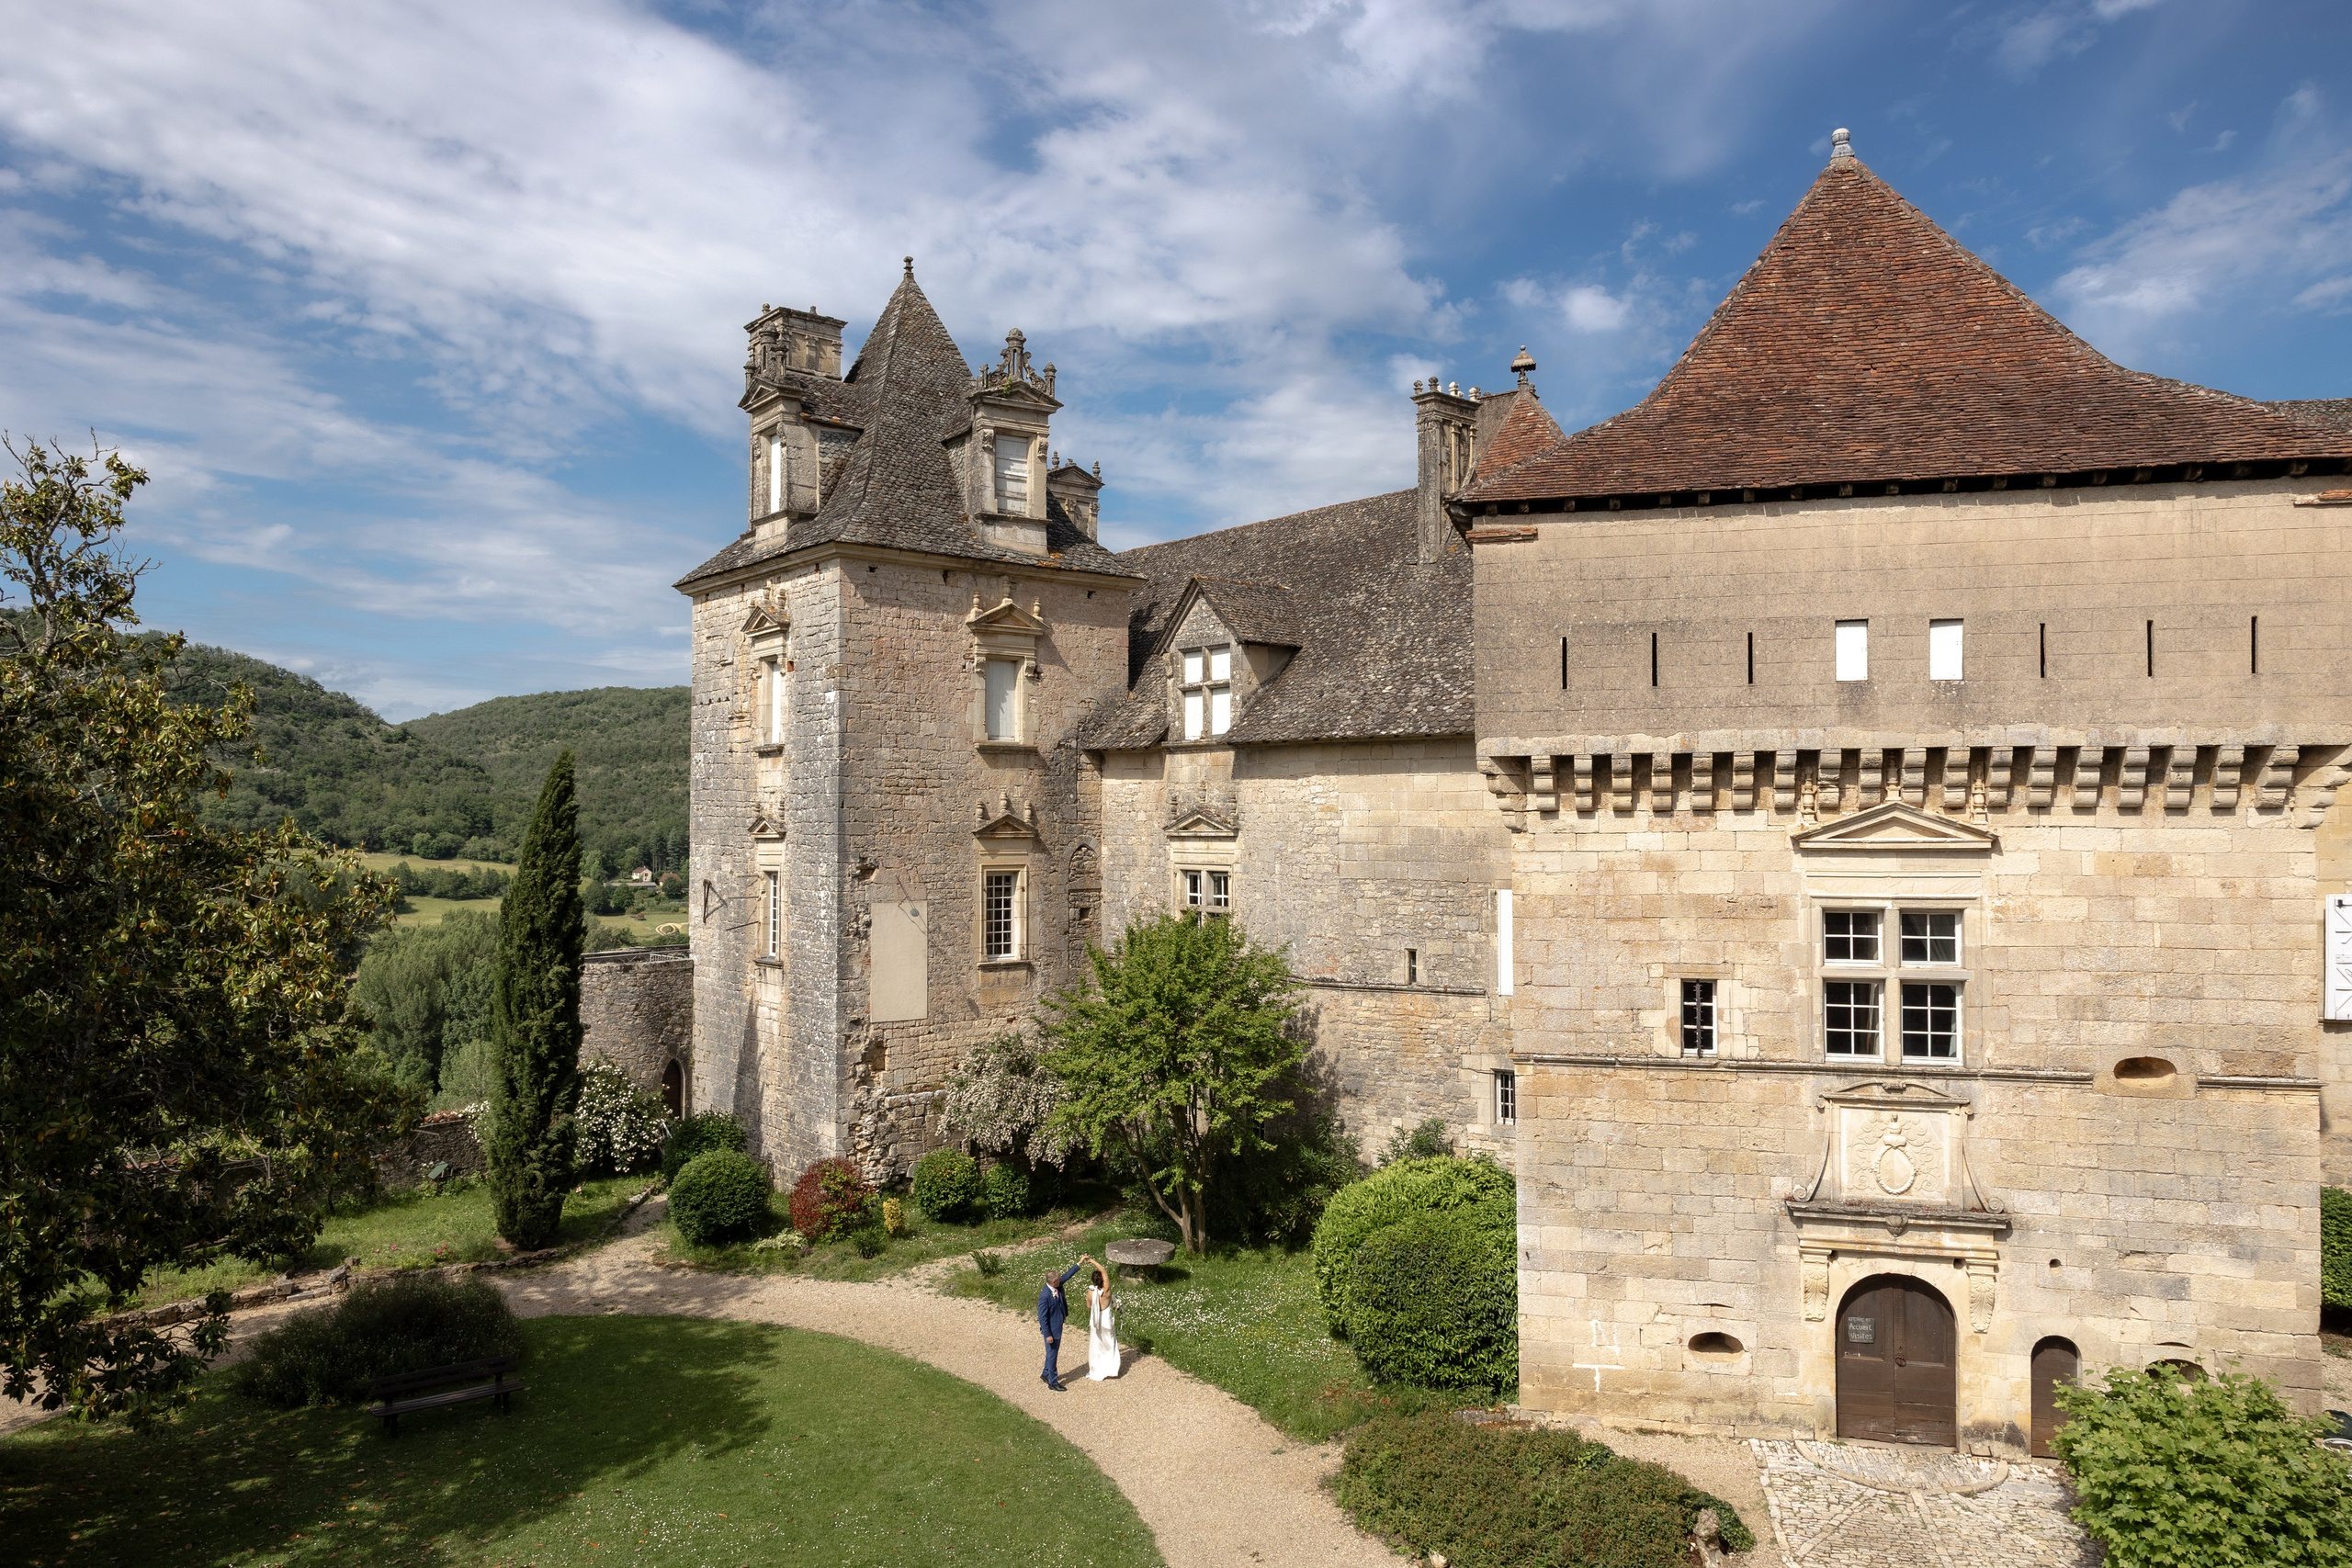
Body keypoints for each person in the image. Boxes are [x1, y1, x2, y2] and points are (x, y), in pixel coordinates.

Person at [1036, 1259, 1081, 1391]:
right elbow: (1042, 1318)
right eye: (1058, 1279)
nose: (1061, 1280)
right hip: (1052, 1330)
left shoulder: (1056, 1286)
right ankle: (1053, 1382)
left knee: (1051, 1353)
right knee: (1052, 1355)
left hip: (1057, 1326)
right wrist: (1048, 1334)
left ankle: (1046, 1373)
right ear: (1053, 1282)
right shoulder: (1045, 1296)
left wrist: (1079, 1263)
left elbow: (1067, 1275)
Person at [1085, 1258, 1119, 1381]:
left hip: (1096, 1322)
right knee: (1110, 1345)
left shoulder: (1090, 1293)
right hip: (1107, 1321)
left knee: (1096, 1346)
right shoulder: (1107, 1291)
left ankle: (1097, 1369)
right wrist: (1091, 1261)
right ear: (1103, 1280)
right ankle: (1111, 1369)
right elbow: (1103, 1269)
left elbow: (1089, 1307)